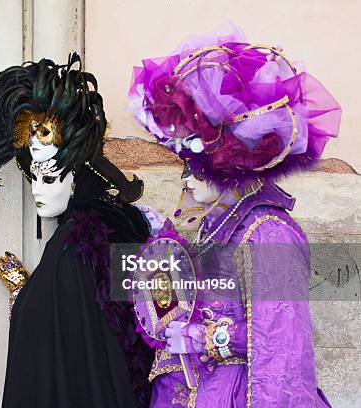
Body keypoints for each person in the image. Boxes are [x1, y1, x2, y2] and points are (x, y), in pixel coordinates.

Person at [128, 27, 341, 407]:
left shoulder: (268, 233)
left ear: (227, 167)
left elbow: (282, 356)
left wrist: (209, 337)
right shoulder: (219, 225)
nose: (187, 182)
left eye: (194, 168)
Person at [0, 53, 158, 408]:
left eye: (50, 177)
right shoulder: (121, 221)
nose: (38, 190)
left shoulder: (74, 245)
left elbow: (52, 341)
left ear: (79, 174)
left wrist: (22, 291)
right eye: (32, 177)